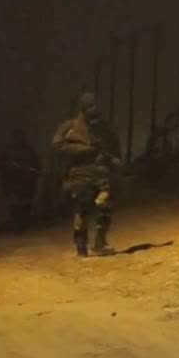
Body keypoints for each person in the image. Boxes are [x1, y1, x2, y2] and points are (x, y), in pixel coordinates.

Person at [51, 92, 121, 256]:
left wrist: (113, 161)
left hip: (101, 173)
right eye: (90, 106)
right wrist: (83, 150)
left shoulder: (103, 128)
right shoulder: (70, 127)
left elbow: (113, 149)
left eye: (95, 105)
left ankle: (100, 243)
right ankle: (81, 244)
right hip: (80, 173)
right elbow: (56, 146)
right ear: (83, 108)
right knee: (83, 209)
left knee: (105, 206)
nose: (94, 109)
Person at [0, 129, 40, 230]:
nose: (18, 139)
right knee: (14, 205)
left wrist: (31, 172)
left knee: (25, 205)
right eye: (16, 137)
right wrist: (9, 167)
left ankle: (23, 225)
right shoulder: (7, 151)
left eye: (20, 137)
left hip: (27, 184)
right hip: (12, 183)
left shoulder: (29, 150)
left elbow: (37, 165)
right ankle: (17, 224)